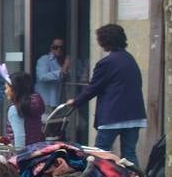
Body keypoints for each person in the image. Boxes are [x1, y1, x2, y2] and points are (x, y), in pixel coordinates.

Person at [72, 23, 146, 161]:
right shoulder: (130, 59)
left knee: (99, 153)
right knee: (129, 154)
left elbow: (93, 88)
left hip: (113, 115)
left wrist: (76, 102)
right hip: (135, 115)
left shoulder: (106, 63)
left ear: (104, 41)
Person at [5, 71, 44, 149]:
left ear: (14, 89)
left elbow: (20, 137)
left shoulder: (15, 109)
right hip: (35, 151)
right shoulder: (34, 105)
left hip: (23, 155)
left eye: (6, 88)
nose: (5, 91)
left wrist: (18, 158)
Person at [34, 37, 69, 108]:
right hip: (46, 103)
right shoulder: (44, 60)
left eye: (61, 47)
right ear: (51, 48)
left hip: (63, 102)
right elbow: (42, 76)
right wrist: (62, 71)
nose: (59, 49)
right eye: (56, 47)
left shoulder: (68, 60)